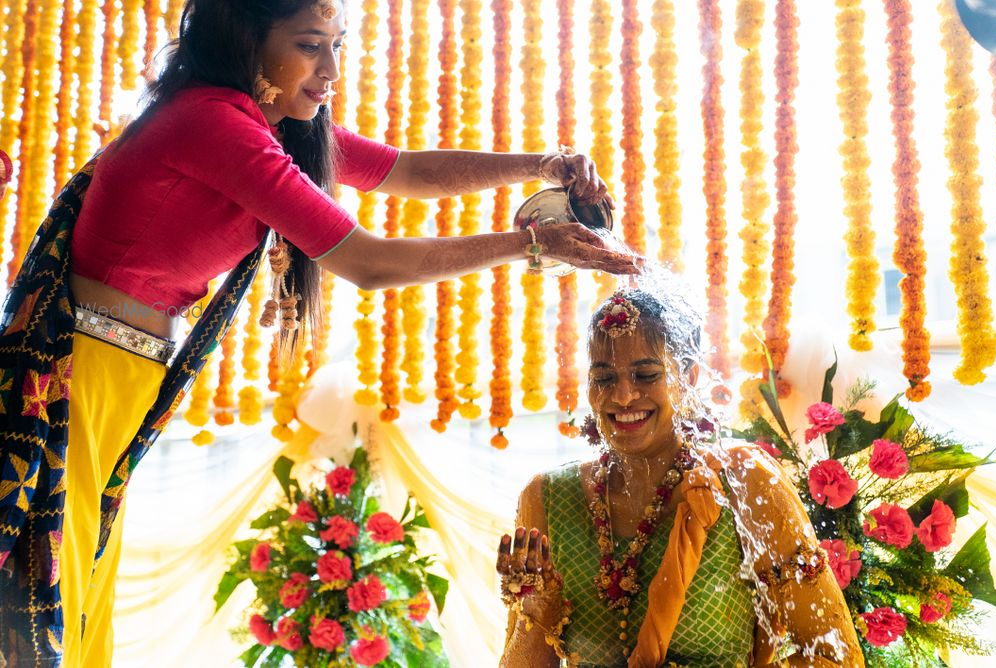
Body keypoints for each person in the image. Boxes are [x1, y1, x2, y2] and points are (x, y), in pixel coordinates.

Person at [0, 0, 636, 665]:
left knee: (78, 589)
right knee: (58, 597)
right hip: (78, 375)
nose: (331, 68)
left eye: (337, 43)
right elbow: (370, 262)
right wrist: (532, 244)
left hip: (121, 376)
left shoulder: (263, 126)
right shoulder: (212, 122)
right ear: (246, 39)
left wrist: (543, 165)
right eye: (310, 45)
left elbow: (409, 172)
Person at [495, 286, 864, 667]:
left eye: (645, 374)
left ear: (688, 376)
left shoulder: (743, 481)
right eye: (604, 378)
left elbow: (836, 656)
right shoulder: (548, 497)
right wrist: (537, 612)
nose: (622, 396)